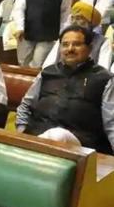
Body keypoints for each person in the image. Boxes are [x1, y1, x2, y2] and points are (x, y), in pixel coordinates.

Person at [16, 26, 114, 154]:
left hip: (82, 146)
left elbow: (111, 121)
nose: (70, 49)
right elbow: (25, 106)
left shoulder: (104, 79)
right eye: (65, 45)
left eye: (77, 44)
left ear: (90, 48)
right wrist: (22, 132)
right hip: (37, 136)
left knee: (58, 135)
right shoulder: (47, 73)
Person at [42, 2, 111, 70]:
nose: (74, 22)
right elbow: (47, 65)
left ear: (90, 22)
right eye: (72, 18)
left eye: (78, 18)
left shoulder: (103, 42)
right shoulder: (65, 37)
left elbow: (103, 70)